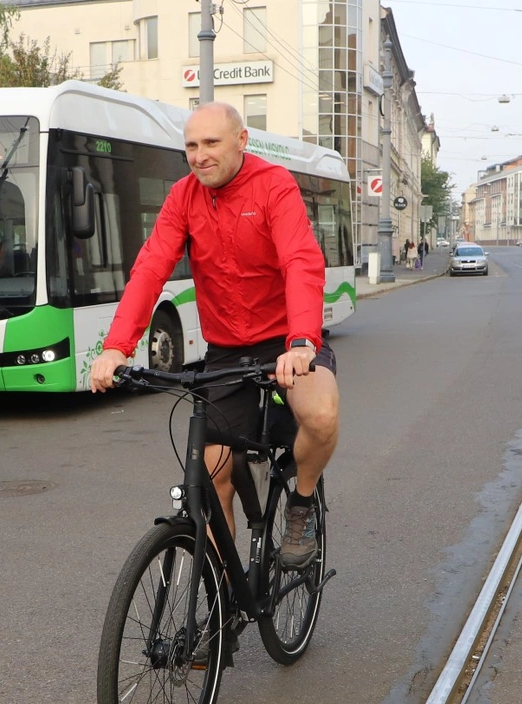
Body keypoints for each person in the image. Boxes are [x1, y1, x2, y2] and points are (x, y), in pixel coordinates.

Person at [89, 102, 338, 571]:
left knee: (321, 415)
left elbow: (300, 261)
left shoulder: (273, 185)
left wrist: (302, 340)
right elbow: (150, 269)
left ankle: (301, 503)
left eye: (211, 143)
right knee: (211, 473)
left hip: (287, 341)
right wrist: (116, 348)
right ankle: (224, 597)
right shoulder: (183, 197)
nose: (199, 156)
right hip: (226, 350)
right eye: (190, 146)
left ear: (241, 141)